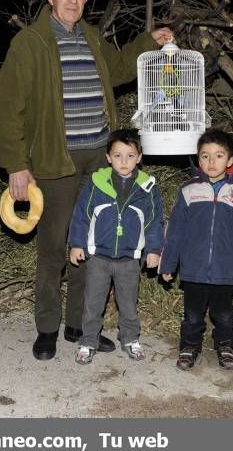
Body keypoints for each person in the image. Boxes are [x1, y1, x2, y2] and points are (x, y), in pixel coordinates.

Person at [0, 0, 173, 361]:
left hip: (99, 161)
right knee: (55, 248)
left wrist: (148, 41)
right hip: (56, 159)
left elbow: (121, 69)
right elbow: (5, 110)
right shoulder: (30, 43)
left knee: (91, 244)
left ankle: (78, 326)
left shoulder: (92, 37)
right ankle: (46, 329)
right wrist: (16, 165)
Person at [158, 129, 233, 371]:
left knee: (223, 313)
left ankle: (225, 345)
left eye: (218, 155)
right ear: (198, 159)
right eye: (205, 156)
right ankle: (189, 345)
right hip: (193, 268)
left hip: (227, 269)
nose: (211, 162)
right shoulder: (188, 190)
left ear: (231, 160)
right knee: (192, 314)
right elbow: (175, 231)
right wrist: (168, 264)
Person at [67, 129, 163, 364]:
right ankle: (89, 341)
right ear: (108, 157)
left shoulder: (147, 187)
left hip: (130, 258)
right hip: (98, 256)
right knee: (93, 302)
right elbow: (82, 215)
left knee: (129, 303)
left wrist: (153, 249)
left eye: (130, 156)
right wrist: (76, 243)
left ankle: (130, 338)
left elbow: (153, 221)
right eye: (118, 155)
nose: (124, 161)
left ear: (139, 157)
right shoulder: (96, 183)